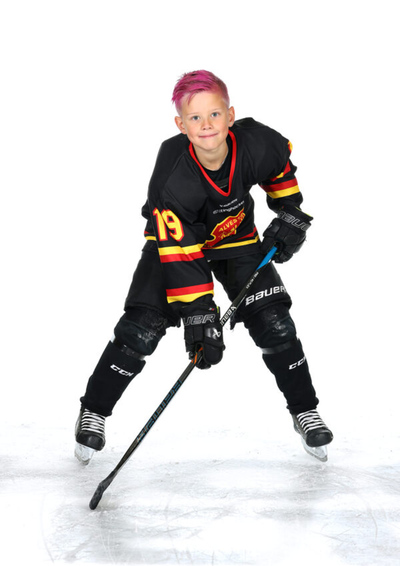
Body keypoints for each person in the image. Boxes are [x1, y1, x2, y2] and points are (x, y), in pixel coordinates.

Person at [75, 70, 333, 464]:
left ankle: (305, 411)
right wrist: (199, 314)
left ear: (231, 115)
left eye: (214, 114)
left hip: (236, 241)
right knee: (141, 329)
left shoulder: (259, 142)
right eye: (195, 117)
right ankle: (93, 411)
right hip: (174, 247)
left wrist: (290, 214)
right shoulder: (172, 177)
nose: (207, 124)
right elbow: (181, 252)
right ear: (181, 125)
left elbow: (279, 172)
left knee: (275, 323)